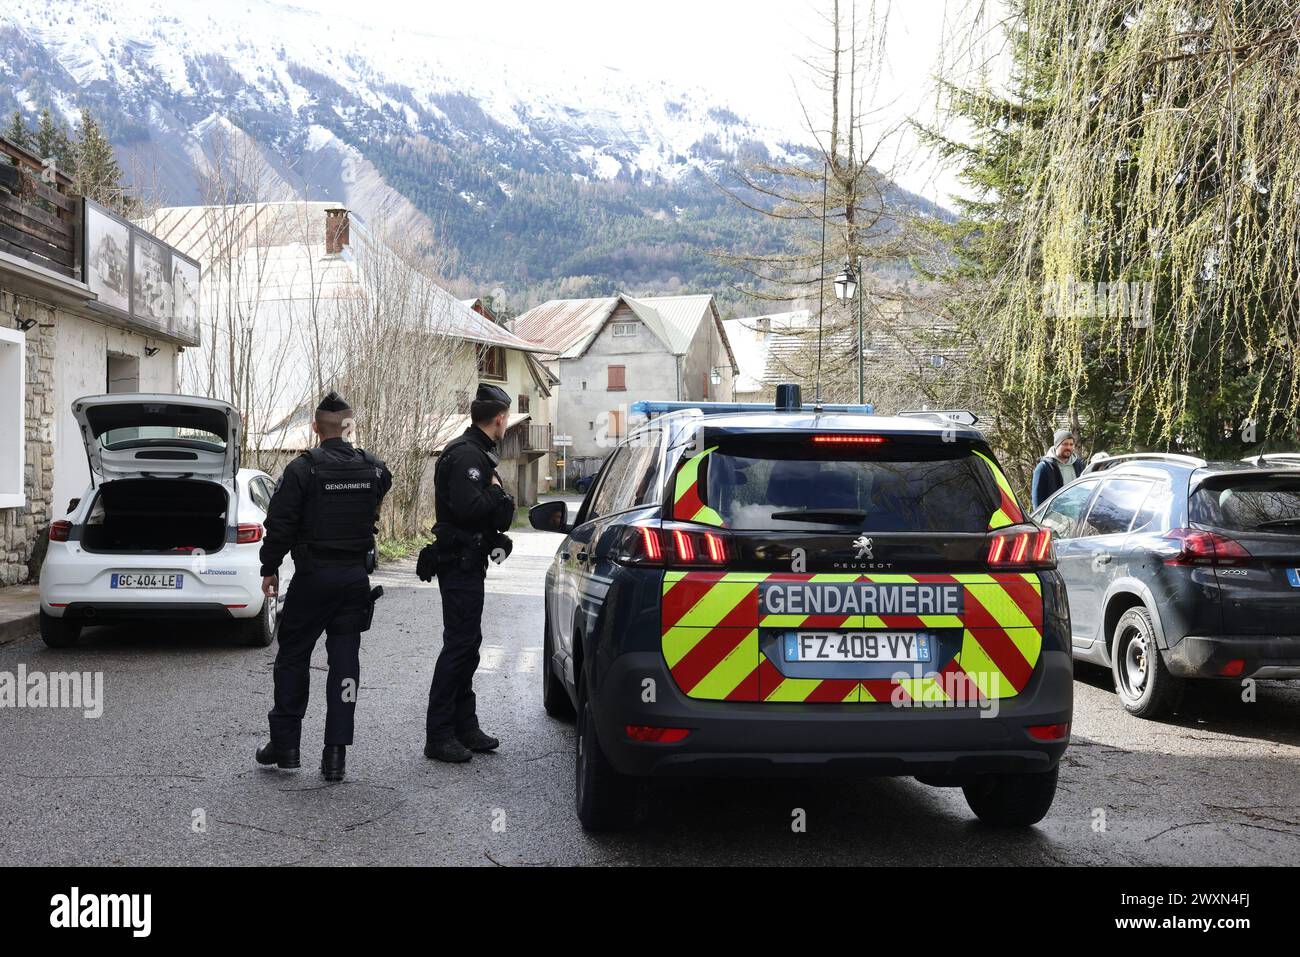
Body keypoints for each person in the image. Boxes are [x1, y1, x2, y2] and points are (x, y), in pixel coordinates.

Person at [254, 391, 392, 783]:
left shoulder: (302, 470)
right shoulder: (374, 468)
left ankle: (286, 746)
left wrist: (270, 567)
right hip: (353, 580)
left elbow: (279, 525)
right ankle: (336, 755)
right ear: (349, 427)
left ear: (315, 428)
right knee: (345, 663)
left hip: (314, 578)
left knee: (293, 657)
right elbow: (381, 491)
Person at [423, 383, 516, 763]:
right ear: (499, 418)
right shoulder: (467, 457)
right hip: (458, 562)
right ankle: (439, 734)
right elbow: (469, 508)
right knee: (460, 646)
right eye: (505, 418)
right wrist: (499, 496)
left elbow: (492, 515)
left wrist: (497, 524)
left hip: (469, 560)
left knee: (468, 645)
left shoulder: (477, 453)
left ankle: (465, 725)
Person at [1031, 428, 1086, 509]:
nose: (1069, 447)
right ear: (1057, 445)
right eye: (1065, 444)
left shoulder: (1079, 465)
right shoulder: (1044, 467)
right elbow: (1037, 500)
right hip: (1053, 518)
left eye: (1071, 444)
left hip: (1078, 515)